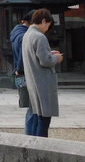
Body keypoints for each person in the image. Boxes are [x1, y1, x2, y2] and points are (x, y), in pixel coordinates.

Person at [22, 8, 63, 137]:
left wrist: (50, 53)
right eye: (48, 26)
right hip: (42, 82)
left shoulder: (27, 34)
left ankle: (31, 144)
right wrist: (56, 58)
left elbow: (37, 56)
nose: (47, 29)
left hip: (33, 80)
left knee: (35, 115)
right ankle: (42, 146)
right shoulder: (40, 37)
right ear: (44, 21)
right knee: (44, 118)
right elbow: (45, 61)